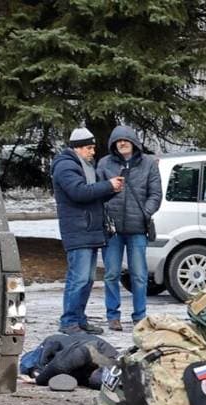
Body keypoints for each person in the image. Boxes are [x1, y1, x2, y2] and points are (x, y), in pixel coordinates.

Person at [51, 126, 123, 333]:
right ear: (78, 148)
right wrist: (108, 186)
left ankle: (79, 318)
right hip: (78, 229)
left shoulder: (84, 166)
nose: (93, 152)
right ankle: (69, 322)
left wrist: (113, 189)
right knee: (79, 278)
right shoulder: (65, 166)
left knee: (88, 279)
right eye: (90, 148)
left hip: (89, 229)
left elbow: (93, 195)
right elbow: (79, 192)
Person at [98, 126, 162, 331]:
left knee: (140, 275)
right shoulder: (104, 164)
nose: (122, 143)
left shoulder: (149, 164)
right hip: (112, 229)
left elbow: (156, 194)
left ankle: (140, 316)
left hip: (137, 228)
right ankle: (112, 316)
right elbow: (97, 191)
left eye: (126, 140)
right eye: (118, 141)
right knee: (111, 273)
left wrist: (146, 211)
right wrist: (105, 212)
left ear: (134, 142)